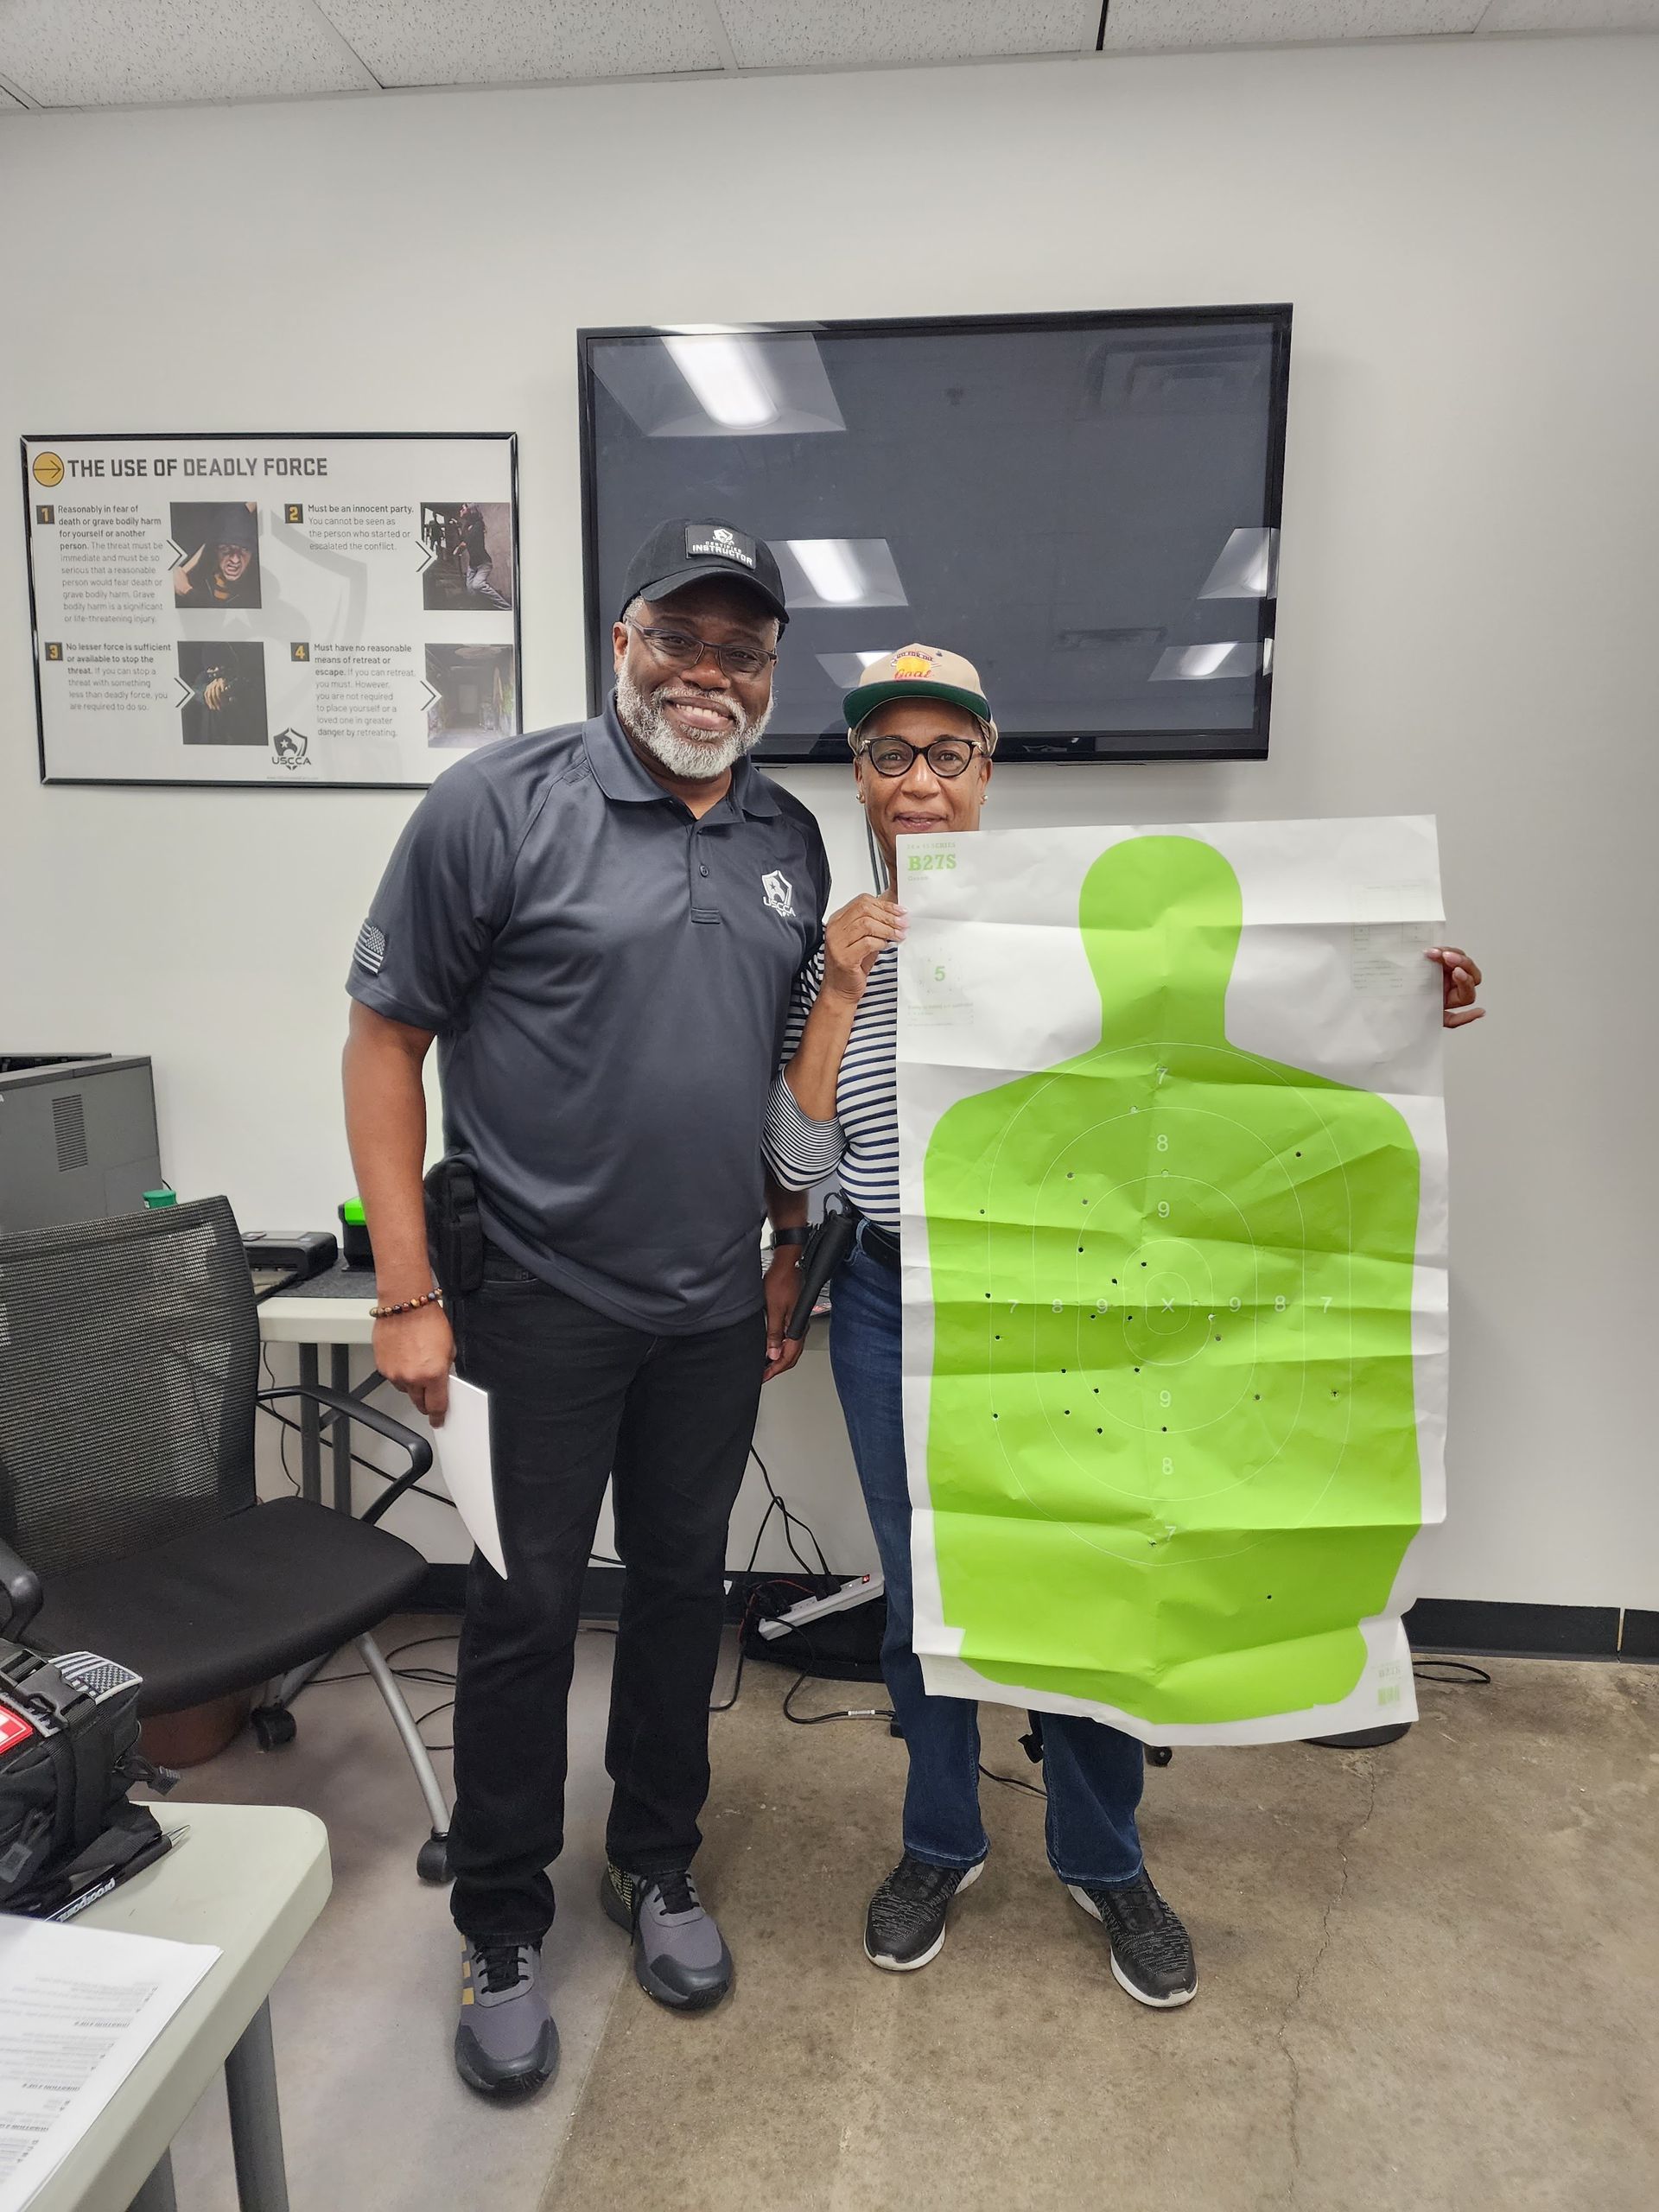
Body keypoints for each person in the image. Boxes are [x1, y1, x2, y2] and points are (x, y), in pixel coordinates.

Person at [763, 644, 1484, 2006]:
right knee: (928, 1592)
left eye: (946, 755)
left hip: (1068, 1304)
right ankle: (940, 1841)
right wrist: (847, 986)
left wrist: (1398, 989)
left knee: (1088, 1572)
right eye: (887, 756)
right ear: (857, 778)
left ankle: (1103, 1858)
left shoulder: (1065, 932)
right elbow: (795, 1165)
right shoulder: (832, 948)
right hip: (891, 1303)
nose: (917, 783)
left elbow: (1255, 1047)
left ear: (988, 770)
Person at [343, 518, 827, 2099]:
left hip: (706, 1310)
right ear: (622, 642)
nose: (708, 673)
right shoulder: (499, 802)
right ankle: (498, 1924)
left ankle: (655, 1865)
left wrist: (778, 1242)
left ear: (769, 673)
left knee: (686, 1597)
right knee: (522, 1614)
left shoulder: (788, 833)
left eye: (740, 651)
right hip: (532, 1299)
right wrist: (406, 1291)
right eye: (678, 640)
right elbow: (382, 1046)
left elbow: (772, 1072)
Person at [174, 502, 260, 607]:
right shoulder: (203, 578)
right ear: (215, 550)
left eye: (244, 549)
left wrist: (186, 590)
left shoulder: (258, 587)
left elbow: (221, 615)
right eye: (226, 549)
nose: (235, 560)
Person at [458, 501, 511, 610]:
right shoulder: (467, 526)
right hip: (472, 565)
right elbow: (464, 541)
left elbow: (468, 541)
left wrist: (461, 544)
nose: (460, 511)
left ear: (471, 510)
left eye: (463, 509)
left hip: (484, 563)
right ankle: (486, 607)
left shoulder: (478, 525)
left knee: (477, 585)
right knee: (471, 591)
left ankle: (507, 607)